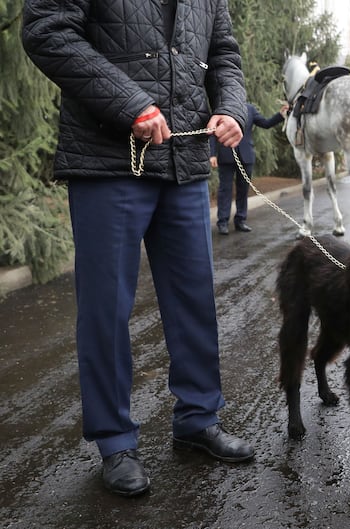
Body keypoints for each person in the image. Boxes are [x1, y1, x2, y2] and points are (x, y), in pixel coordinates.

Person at [21, 0, 255, 497]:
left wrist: (231, 108)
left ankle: (198, 417)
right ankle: (115, 440)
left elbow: (224, 54)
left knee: (195, 300)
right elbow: (46, 31)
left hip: (185, 162)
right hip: (108, 160)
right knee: (106, 308)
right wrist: (132, 105)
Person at [210, 102, 288, 234]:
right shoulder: (221, 109)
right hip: (226, 154)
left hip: (246, 156)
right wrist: (212, 154)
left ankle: (240, 220)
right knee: (225, 189)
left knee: (243, 189)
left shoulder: (250, 109)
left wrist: (281, 115)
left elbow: (266, 123)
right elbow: (212, 134)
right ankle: (222, 222)